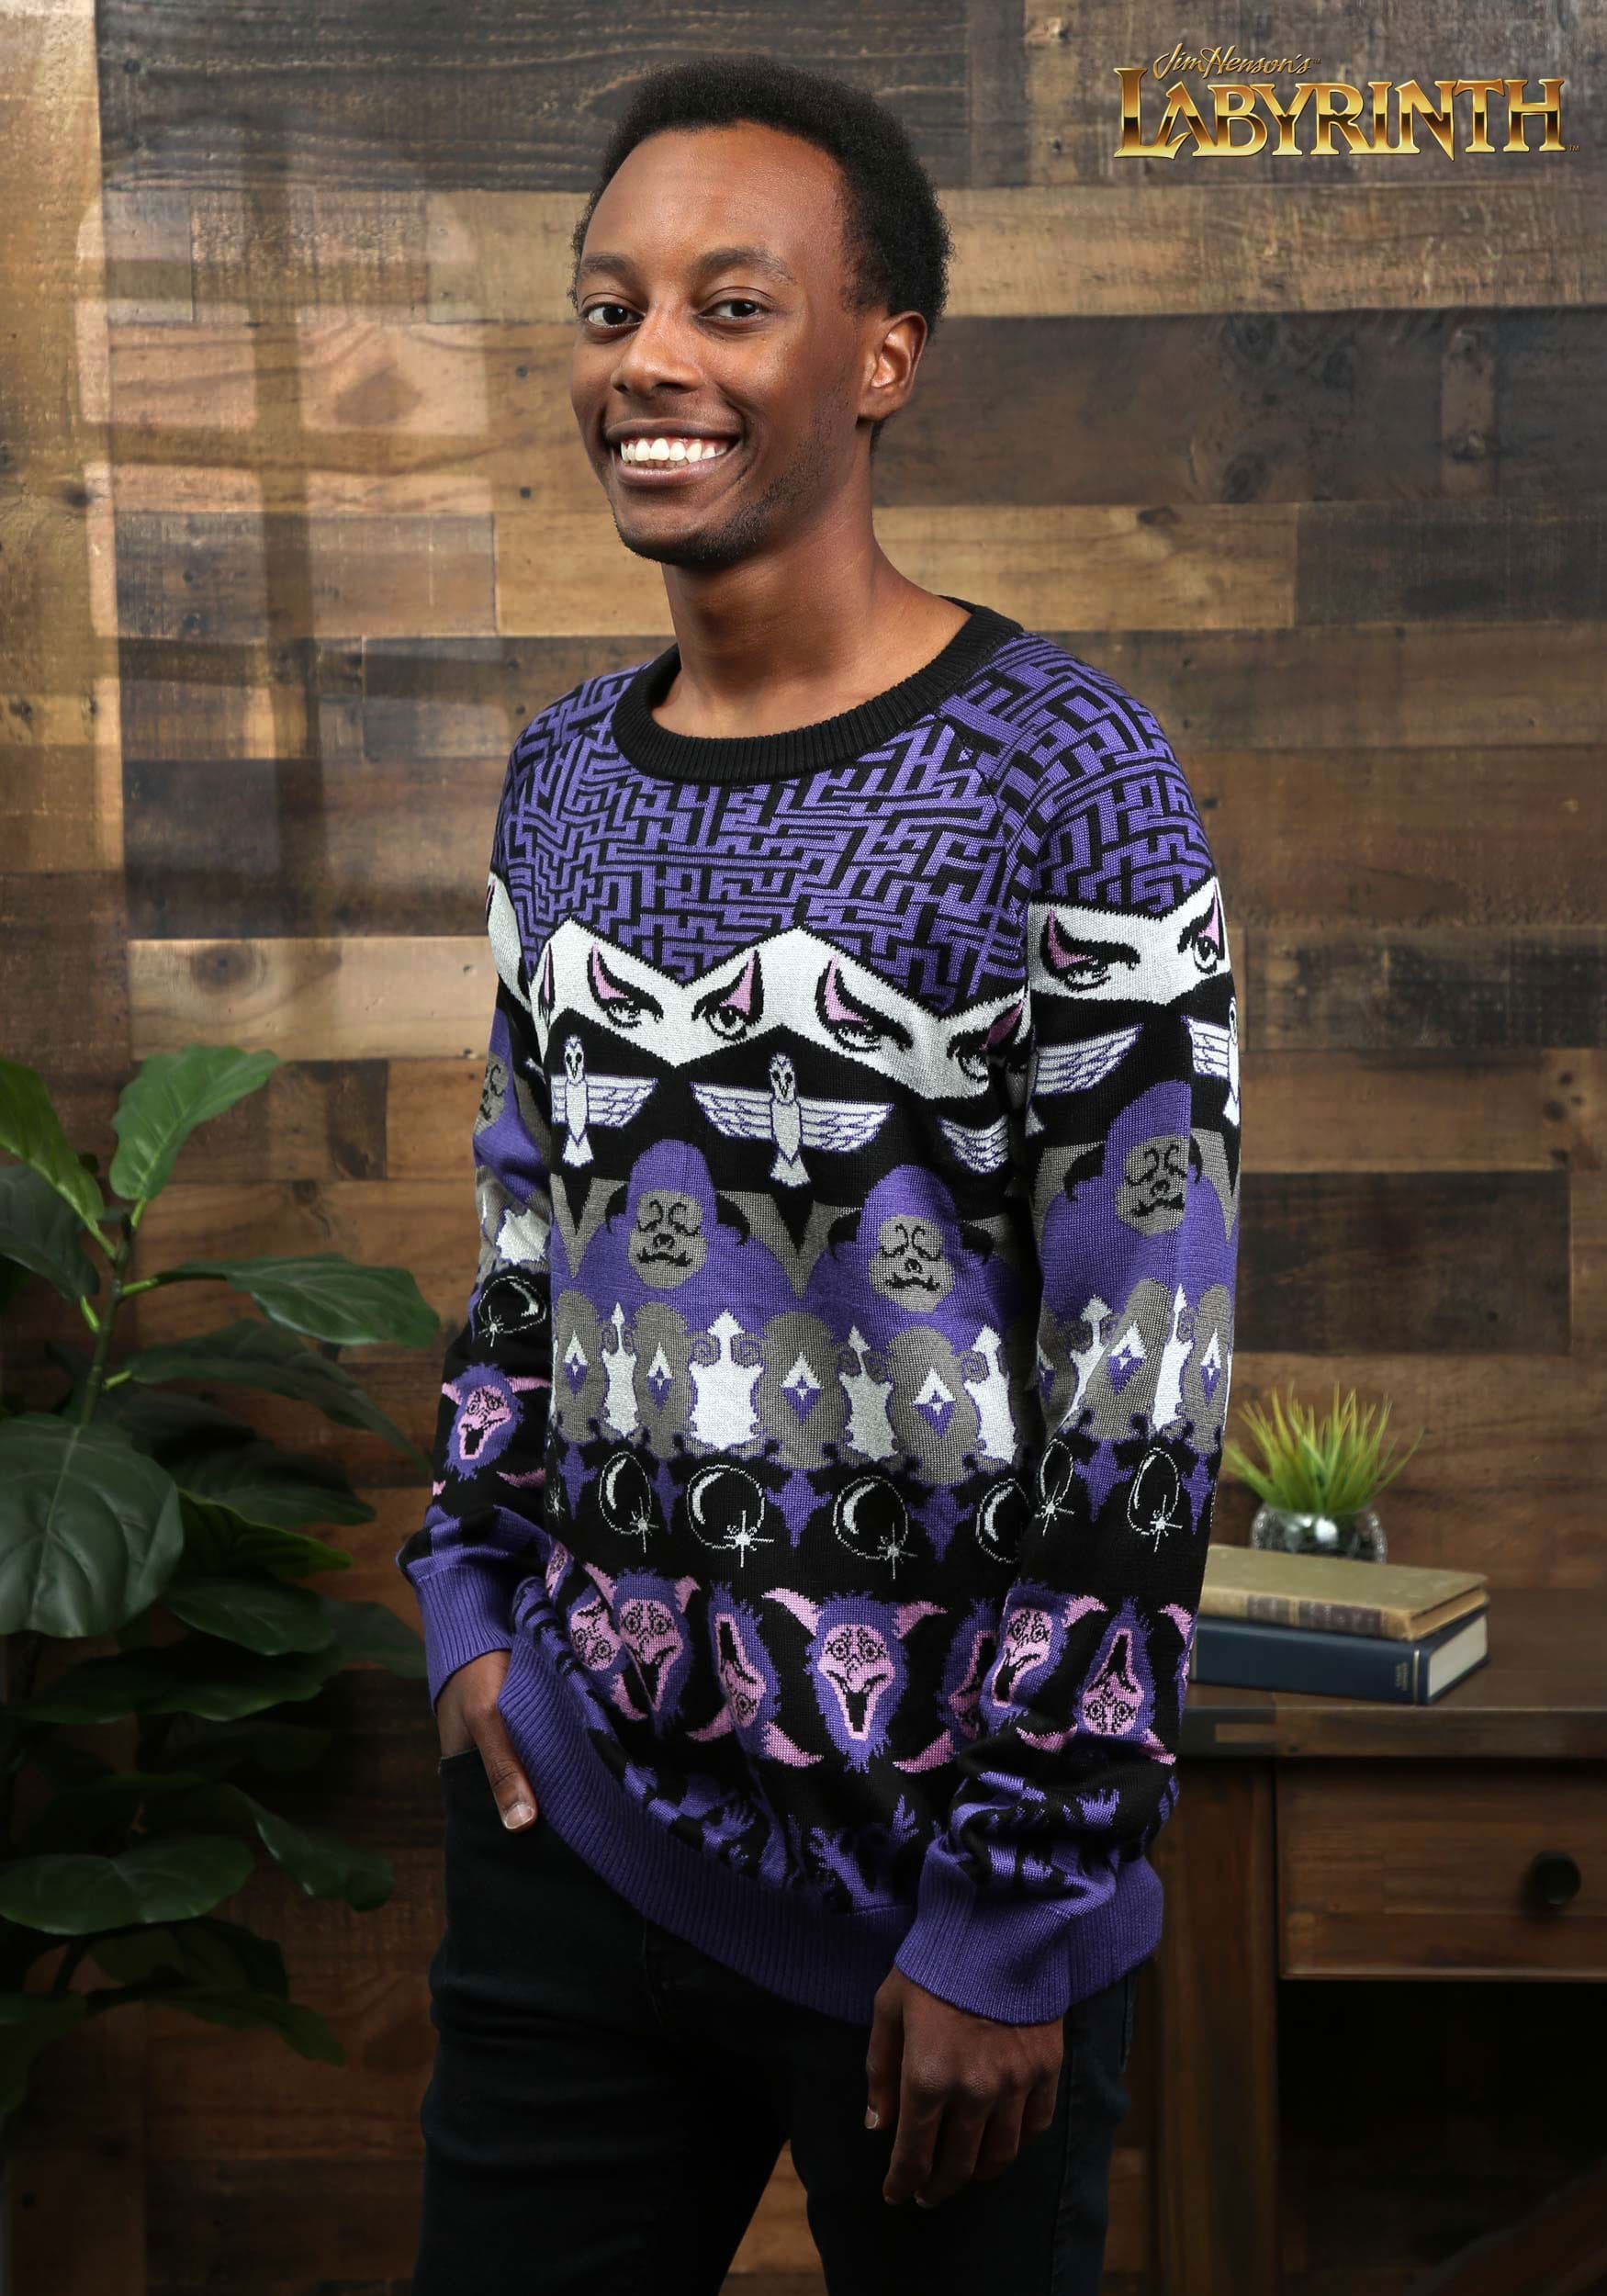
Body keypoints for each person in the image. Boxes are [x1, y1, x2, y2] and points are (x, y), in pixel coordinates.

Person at [398, 51, 1240, 2296]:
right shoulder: (560, 778)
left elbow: (1141, 1379)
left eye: (730, 302)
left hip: (940, 1907)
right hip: (574, 1835)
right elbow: (526, 1240)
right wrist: (472, 1611)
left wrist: (1013, 1906)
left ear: (880, 356)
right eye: (609, 308)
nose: (647, 359)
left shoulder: (1065, 777)